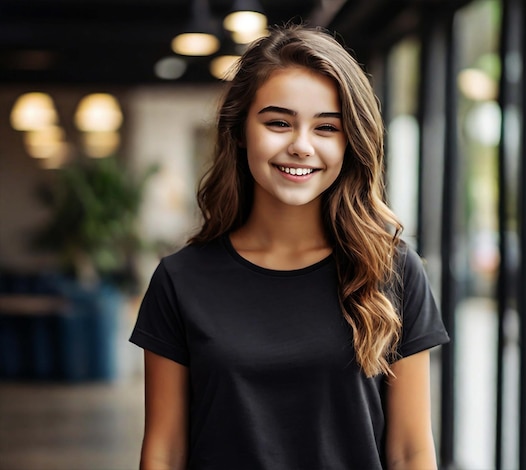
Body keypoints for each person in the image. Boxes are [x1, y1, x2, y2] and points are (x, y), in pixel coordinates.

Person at [130, 23, 449, 470]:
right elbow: (164, 452)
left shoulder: (390, 271)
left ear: (349, 142)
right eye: (278, 123)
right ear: (240, 131)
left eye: (326, 128)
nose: (301, 146)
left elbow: (411, 451)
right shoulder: (181, 280)